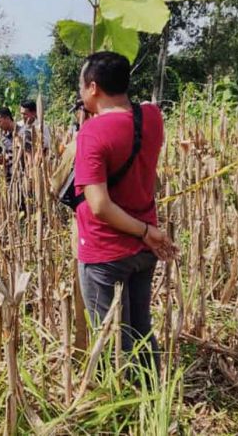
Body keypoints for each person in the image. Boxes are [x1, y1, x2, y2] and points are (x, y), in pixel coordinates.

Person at [74, 51, 176, 374]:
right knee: (141, 329)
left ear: (93, 88)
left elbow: (100, 205)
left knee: (112, 341)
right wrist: (146, 233)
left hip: (105, 253)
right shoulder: (152, 117)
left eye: (81, 85)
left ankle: (124, 413)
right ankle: (152, 399)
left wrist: (145, 233)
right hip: (144, 249)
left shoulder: (91, 134)